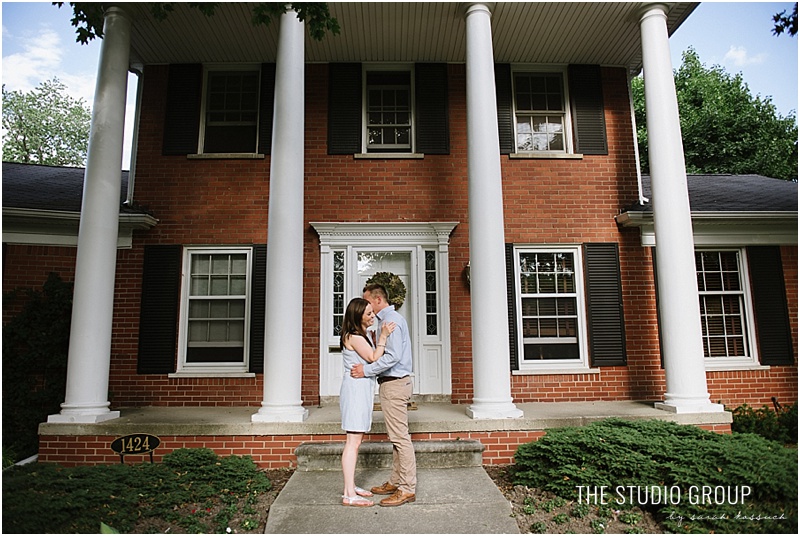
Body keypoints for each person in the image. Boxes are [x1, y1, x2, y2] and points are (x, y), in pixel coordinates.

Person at [350, 283, 417, 507]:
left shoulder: (392, 321)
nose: (367, 306)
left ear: (378, 300)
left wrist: (366, 371)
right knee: (396, 437)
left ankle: (407, 488)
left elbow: (393, 357)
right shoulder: (383, 323)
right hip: (392, 384)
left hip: (395, 384)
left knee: (400, 438)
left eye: (368, 302)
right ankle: (396, 481)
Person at [339, 297, 396, 507]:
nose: (373, 316)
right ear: (358, 316)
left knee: (356, 441)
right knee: (352, 443)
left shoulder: (360, 335)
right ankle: (348, 494)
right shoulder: (354, 336)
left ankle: (350, 487)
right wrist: (383, 336)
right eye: (369, 314)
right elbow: (373, 358)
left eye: (373, 312)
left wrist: (374, 336)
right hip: (355, 391)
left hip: (361, 390)